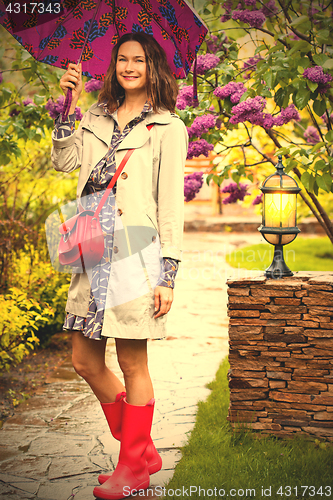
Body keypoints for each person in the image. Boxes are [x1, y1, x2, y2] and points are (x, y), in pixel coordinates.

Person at [51, 32, 188, 500]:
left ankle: (132, 467)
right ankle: (142, 448)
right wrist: (66, 106)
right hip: (90, 249)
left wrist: (168, 274)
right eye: (122, 59)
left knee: (132, 360)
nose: (129, 67)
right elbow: (65, 162)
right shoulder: (94, 115)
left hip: (137, 252)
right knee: (84, 360)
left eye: (139, 60)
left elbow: (170, 206)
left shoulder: (169, 128)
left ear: (154, 67)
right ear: (114, 66)